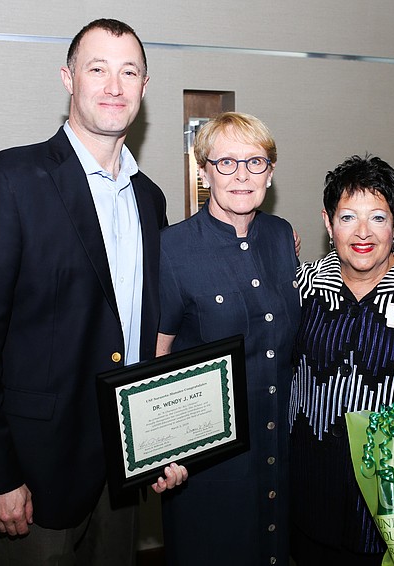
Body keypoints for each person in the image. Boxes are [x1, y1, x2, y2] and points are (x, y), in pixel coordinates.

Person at [0, 19, 169, 564]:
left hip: (122, 470)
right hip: (34, 475)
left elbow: (142, 330)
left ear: (144, 86)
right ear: (68, 78)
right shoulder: (9, 181)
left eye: (129, 71)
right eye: (98, 69)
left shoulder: (151, 200)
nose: (114, 86)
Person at [154, 112, 300, 566]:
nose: (242, 175)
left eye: (255, 162)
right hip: (209, 464)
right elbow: (157, 355)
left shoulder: (281, 237)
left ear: (270, 173)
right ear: (203, 172)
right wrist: (162, 451)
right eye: (226, 163)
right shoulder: (171, 249)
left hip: (281, 450)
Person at [288, 155, 394, 565]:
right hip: (311, 493)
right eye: (348, 218)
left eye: (377, 218)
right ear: (328, 224)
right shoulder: (301, 287)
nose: (363, 233)